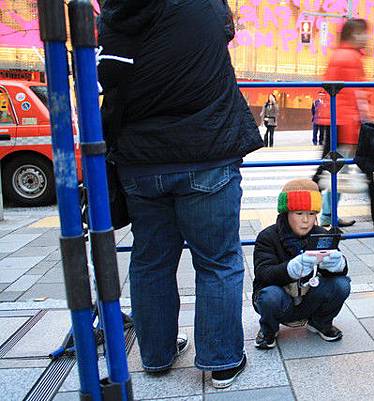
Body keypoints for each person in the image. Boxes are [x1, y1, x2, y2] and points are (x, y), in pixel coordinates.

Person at [97, 0, 263, 388]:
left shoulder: (116, 11)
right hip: (205, 148)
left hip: (140, 159)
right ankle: (221, 360)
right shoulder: (202, 5)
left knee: (150, 260)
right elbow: (226, 30)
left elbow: (110, 79)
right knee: (218, 261)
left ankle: (156, 355)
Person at [315, 18, 374, 231]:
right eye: (363, 33)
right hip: (345, 123)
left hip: (335, 120)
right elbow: (353, 97)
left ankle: (326, 213)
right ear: (353, 34)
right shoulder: (350, 58)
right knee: (358, 168)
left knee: (329, 169)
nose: (367, 37)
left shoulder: (340, 54)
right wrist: (356, 132)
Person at [252, 179, 351, 349]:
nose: (306, 220)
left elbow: (338, 274)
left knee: (342, 284)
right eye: (299, 213)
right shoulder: (268, 236)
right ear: (286, 213)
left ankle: (321, 323)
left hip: (309, 299)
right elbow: (263, 273)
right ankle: (269, 330)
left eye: (311, 213)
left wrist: (338, 265)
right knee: (269, 295)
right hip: (280, 300)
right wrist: (290, 269)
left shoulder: (322, 235)